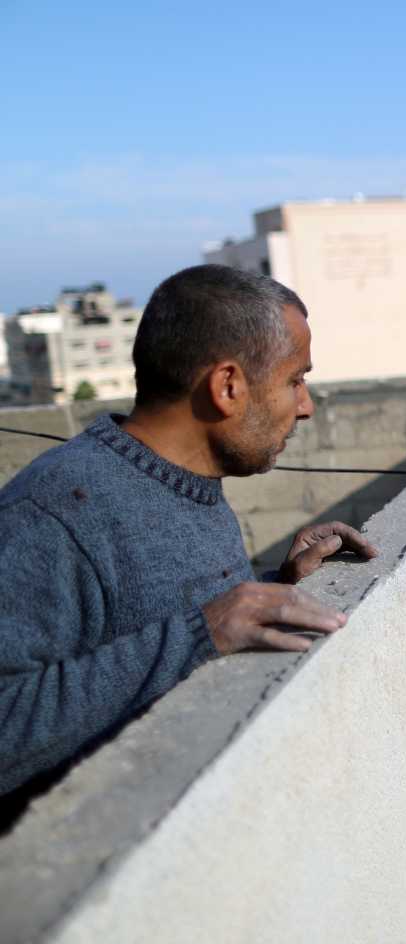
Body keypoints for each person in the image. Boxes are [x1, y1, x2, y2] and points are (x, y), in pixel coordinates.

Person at [0, 265, 378, 796]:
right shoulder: (55, 512)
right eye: (295, 380)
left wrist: (276, 588)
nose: (306, 406)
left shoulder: (189, 481)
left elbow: (156, 618)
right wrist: (200, 634)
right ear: (227, 387)